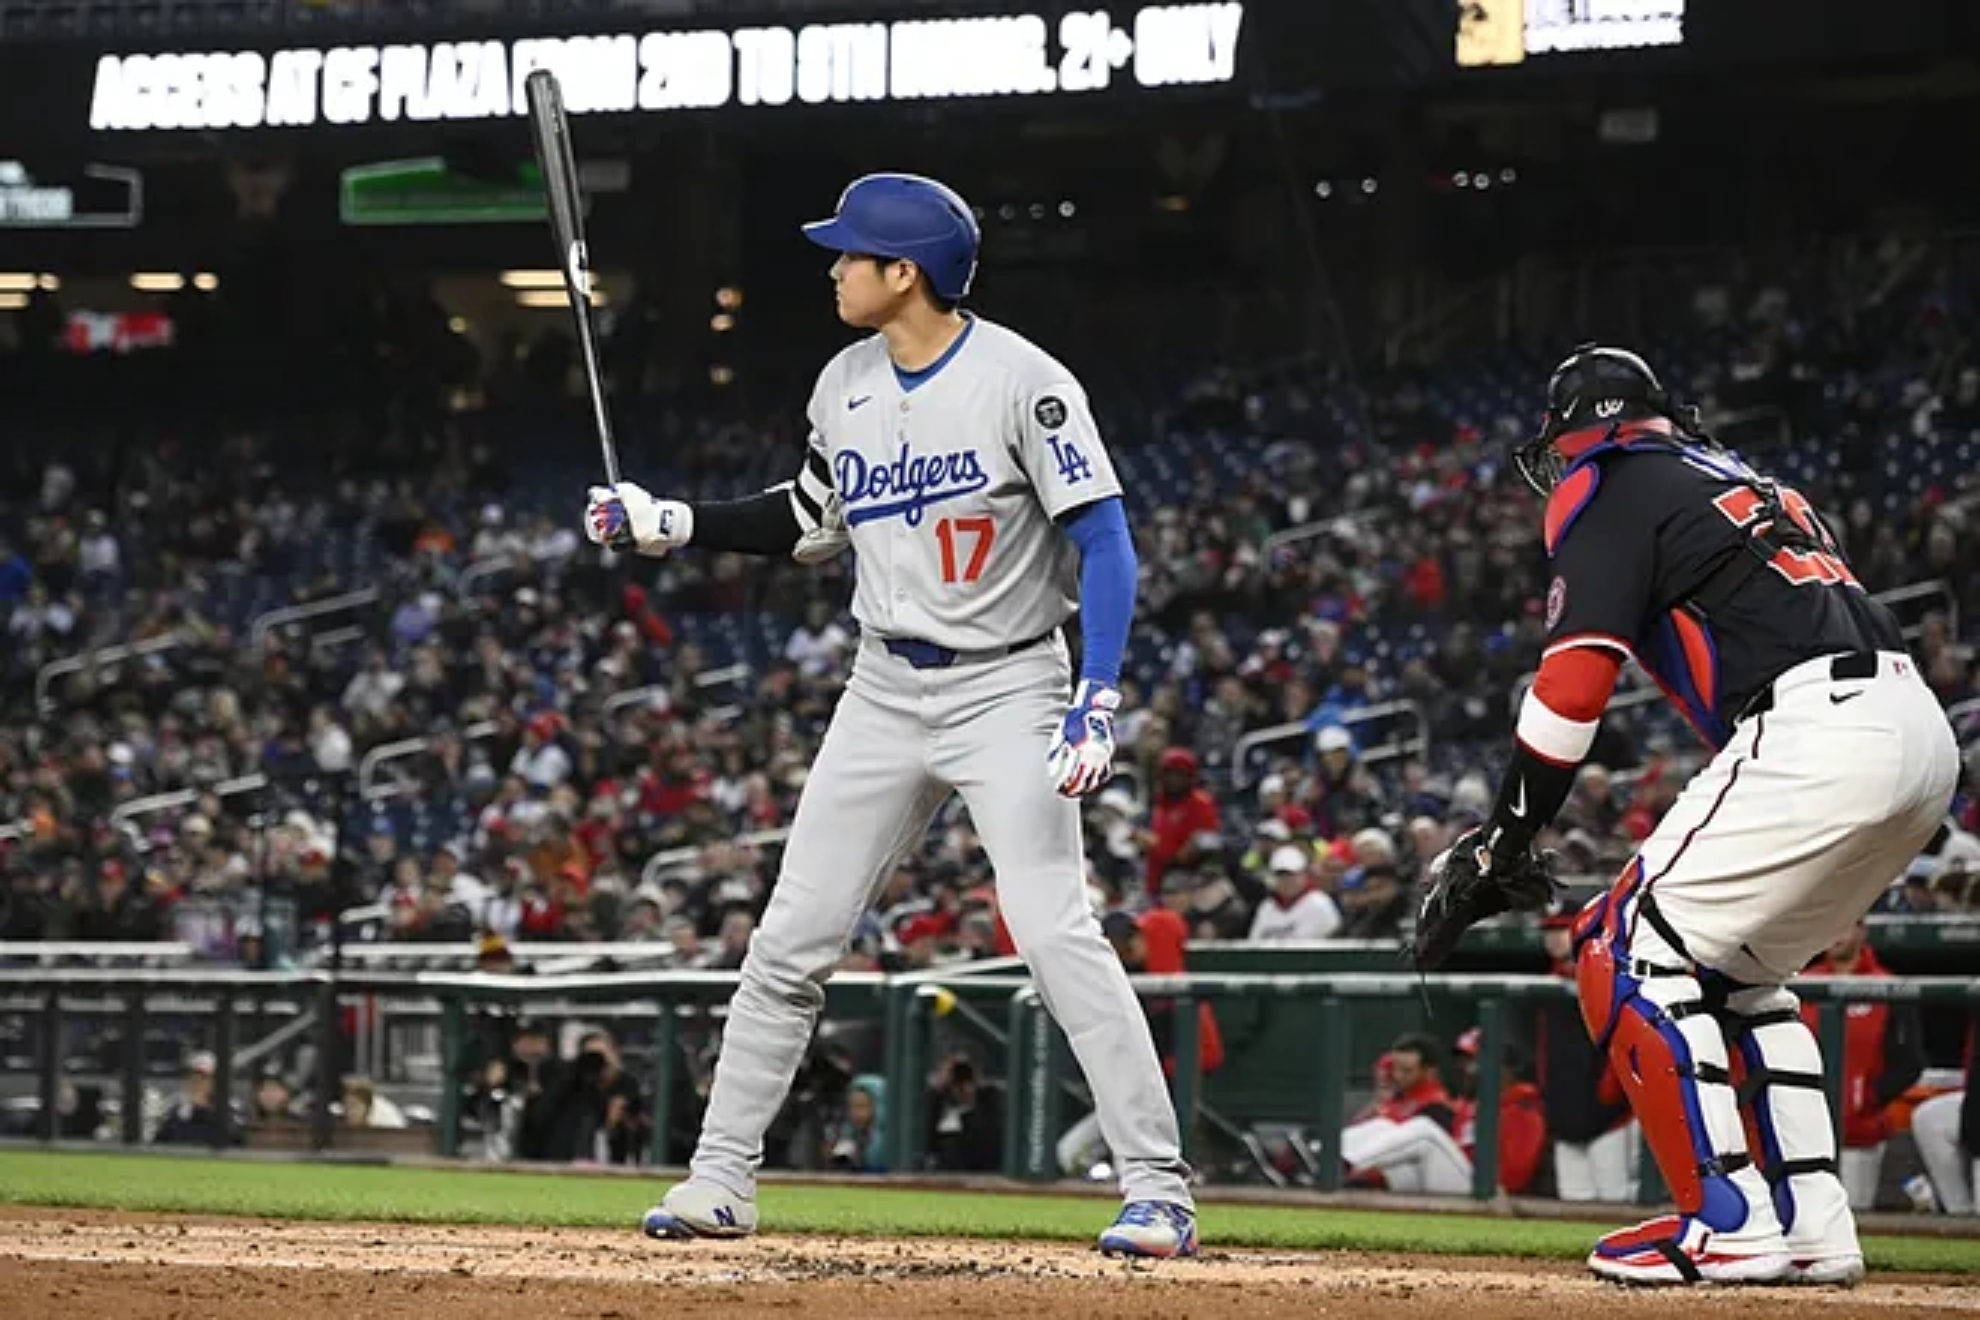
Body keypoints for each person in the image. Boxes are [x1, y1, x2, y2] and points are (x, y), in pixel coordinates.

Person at [586, 172, 1195, 1258]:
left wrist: (1096, 696)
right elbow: (812, 518)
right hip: (882, 684)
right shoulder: (843, 381)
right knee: (790, 936)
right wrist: (671, 519)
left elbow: (1105, 539)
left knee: (1054, 933)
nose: (833, 267)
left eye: (850, 253)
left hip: (1010, 682)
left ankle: (1157, 1188)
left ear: (902, 272)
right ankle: (720, 1179)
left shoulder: (1024, 381)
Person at [1411, 345, 1960, 1285]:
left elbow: (1575, 679)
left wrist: (1507, 831)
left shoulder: (1610, 480)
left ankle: (1726, 1217)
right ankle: (1813, 1221)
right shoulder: (1749, 478)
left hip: (1816, 724)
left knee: (1620, 952)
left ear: (1585, 428)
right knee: (1740, 975)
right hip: (1918, 730)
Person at [1797, 920, 1922, 1209]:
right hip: (1802, 1132)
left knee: (1854, 1217)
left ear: (1862, 932)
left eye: (1845, 924)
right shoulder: (1800, 984)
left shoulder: (1888, 986)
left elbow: (1909, 1063)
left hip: (1860, 1132)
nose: (1836, 935)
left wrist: (1865, 1099)